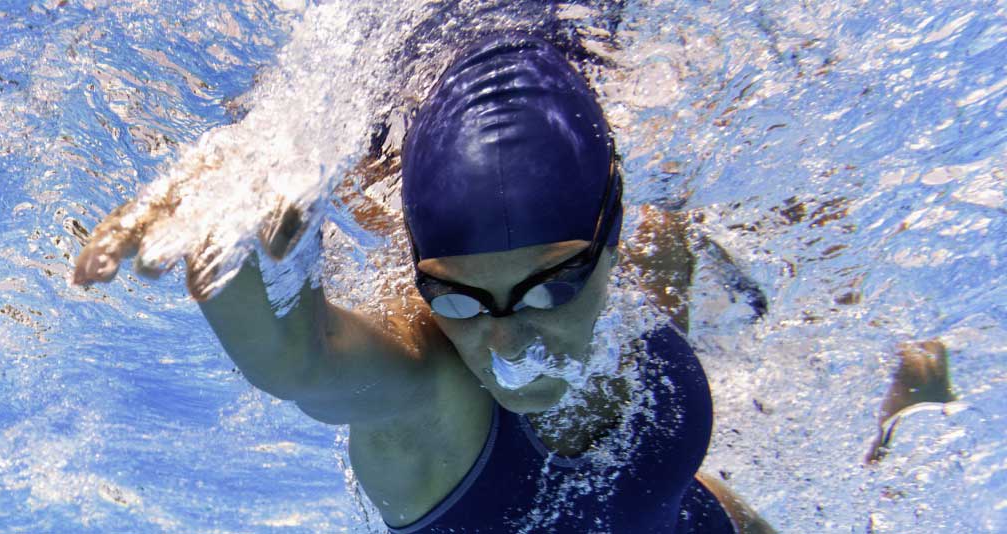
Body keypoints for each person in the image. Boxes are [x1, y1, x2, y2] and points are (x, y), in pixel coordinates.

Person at [75, 31, 773, 533]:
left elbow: (675, 496)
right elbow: (301, 359)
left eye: (549, 289)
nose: (506, 344)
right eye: (457, 300)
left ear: (610, 241)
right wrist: (231, 209)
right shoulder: (437, 408)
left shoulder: (647, 260)